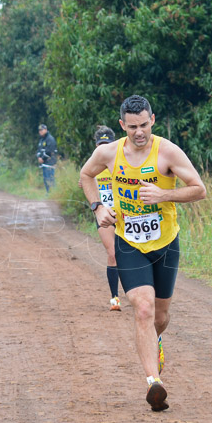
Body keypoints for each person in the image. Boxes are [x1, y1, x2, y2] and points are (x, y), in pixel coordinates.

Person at [79, 95, 206, 411]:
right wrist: (98, 208)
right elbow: (86, 175)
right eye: (133, 126)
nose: (139, 132)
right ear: (122, 125)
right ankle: (154, 383)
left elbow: (199, 189)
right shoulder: (108, 152)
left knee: (160, 317)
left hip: (164, 244)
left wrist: (165, 194)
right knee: (144, 309)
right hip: (128, 242)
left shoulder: (167, 152)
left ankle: (156, 342)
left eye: (144, 125)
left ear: (153, 121)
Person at [91, 126, 122, 312]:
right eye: (100, 145)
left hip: (125, 215)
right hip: (104, 216)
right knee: (112, 254)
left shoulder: (121, 163)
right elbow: (86, 184)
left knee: (129, 256)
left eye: (107, 145)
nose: (103, 149)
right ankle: (115, 298)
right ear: (96, 146)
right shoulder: (91, 166)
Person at [36, 124, 57, 194]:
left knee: (50, 179)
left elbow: (49, 151)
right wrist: (39, 157)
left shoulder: (50, 139)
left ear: (46, 130)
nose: (40, 132)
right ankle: (48, 193)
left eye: (42, 130)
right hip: (44, 164)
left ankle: (53, 193)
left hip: (50, 163)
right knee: (45, 179)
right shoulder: (42, 139)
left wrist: (42, 158)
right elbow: (39, 150)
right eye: (39, 130)